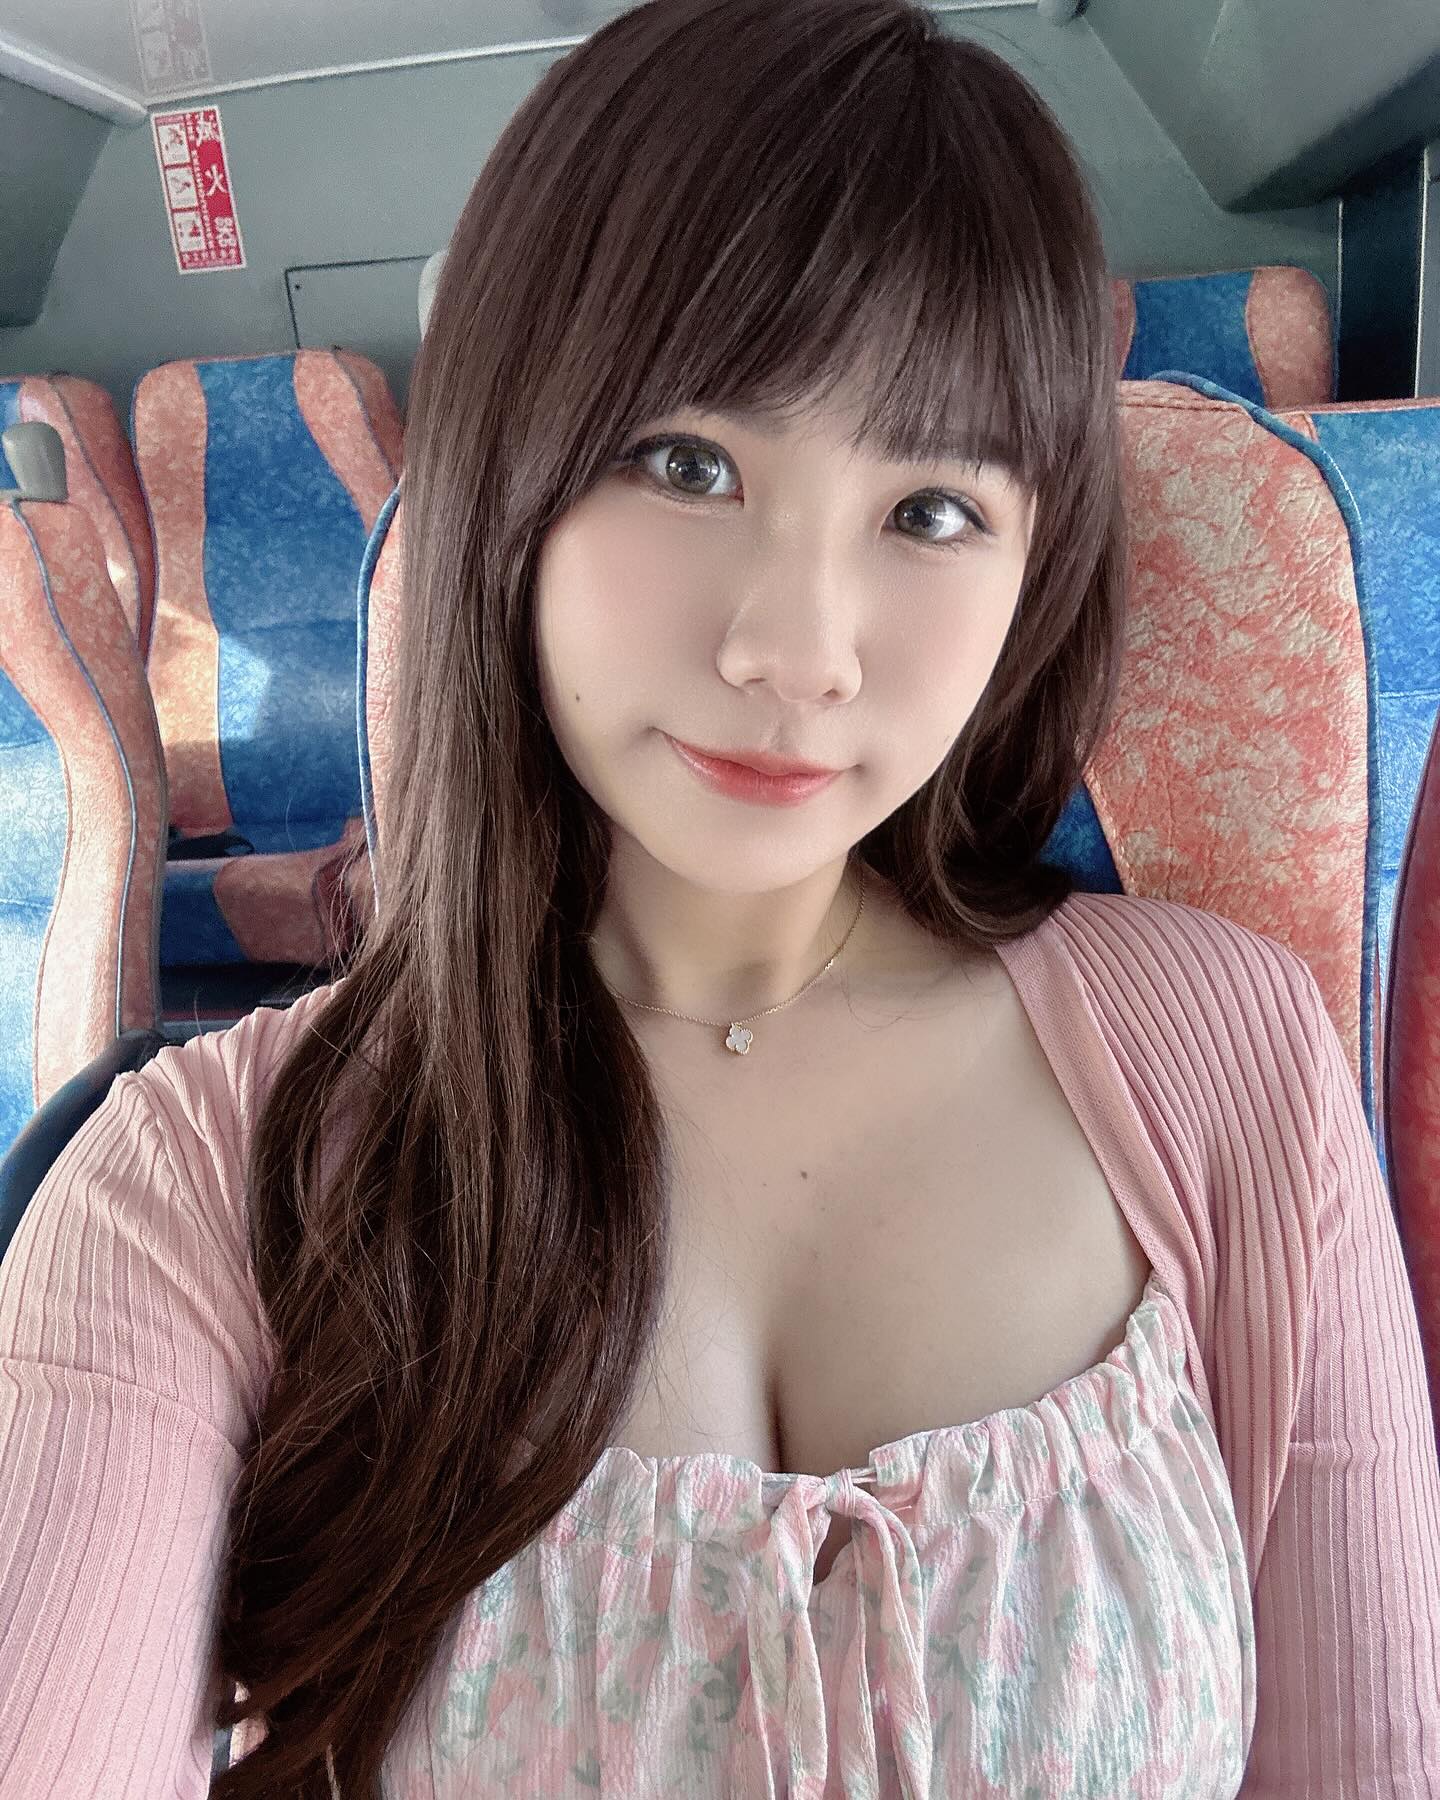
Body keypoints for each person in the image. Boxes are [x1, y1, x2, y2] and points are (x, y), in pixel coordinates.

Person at [3, 0, 1439, 1794]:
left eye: (933, 511)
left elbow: (1373, 1748)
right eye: (688, 464)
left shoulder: (1231, 1056)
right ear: (508, 480)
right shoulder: (193, 1193)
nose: (797, 651)